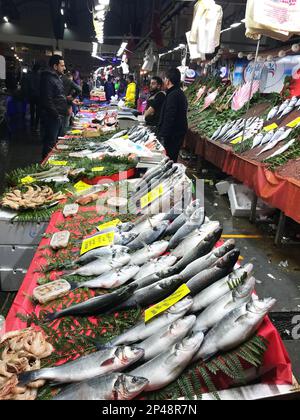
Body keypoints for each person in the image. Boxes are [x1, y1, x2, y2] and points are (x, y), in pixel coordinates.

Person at [40, 55, 68, 159]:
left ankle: (51, 162)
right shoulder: (48, 79)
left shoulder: (55, 78)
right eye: (62, 65)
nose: (64, 68)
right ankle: (45, 166)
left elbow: (57, 96)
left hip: (56, 116)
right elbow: (47, 100)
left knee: (54, 142)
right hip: (51, 117)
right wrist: (56, 115)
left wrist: (69, 100)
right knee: (50, 144)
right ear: (55, 66)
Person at [158, 68, 188, 163]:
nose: (164, 81)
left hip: (173, 135)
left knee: (169, 159)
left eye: (164, 79)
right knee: (171, 158)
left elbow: (169, 116)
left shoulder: (174, 95)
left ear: (168, 80)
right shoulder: (177, 93)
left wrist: (163, 134)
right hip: (176, 133)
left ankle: (169, 176)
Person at [27, 64, 41, 130]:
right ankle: (36, 125)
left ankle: (32, 124)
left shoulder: (30, 76)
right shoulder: (40, 76)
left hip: (32, 95)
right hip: (38, 96)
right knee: (38, 111)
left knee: (32, 110)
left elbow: (29, 85)